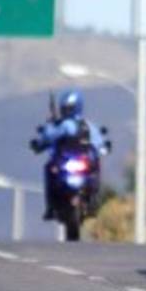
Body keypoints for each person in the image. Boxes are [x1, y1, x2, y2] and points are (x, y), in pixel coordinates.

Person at [31, 90, 108, 220]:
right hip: (73, 165)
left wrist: (40, 142)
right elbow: (99, 142)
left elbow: (49, 136)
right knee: (94, 168)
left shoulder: (65, 125)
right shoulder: (88, 126)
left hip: (72, 164)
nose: (66, 111)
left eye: (68, 108)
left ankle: (51, 207)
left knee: (49, 168)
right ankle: (93, 200)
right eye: (65, 108)